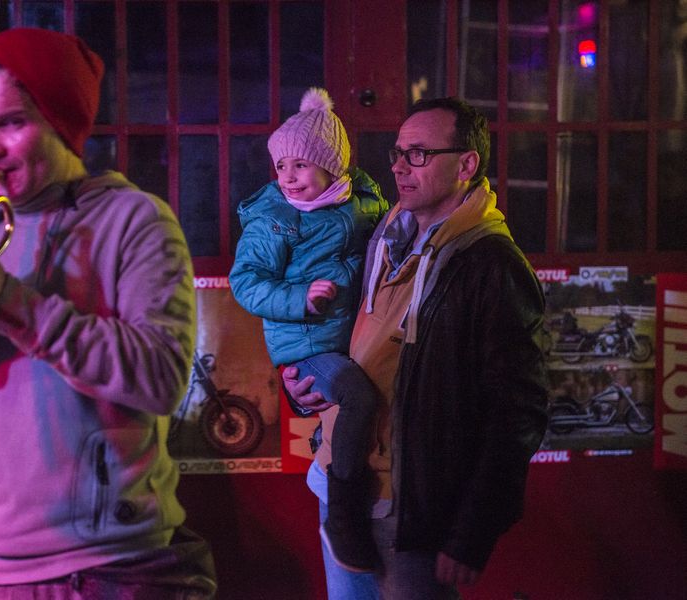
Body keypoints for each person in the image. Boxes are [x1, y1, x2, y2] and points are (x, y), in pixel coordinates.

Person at [0, 28, 215, 599]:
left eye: (10, 123)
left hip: (101, 563)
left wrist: (11, 305)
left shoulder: (136, 220)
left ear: (62, 123)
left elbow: (161, 380)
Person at [284, 97, 548, 599]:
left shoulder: (491, 264)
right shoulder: (386, 234)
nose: (400, 167)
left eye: (419, 154)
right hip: (339, 485)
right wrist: (305, 389)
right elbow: (350, 341)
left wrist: (472, 530)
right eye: (398, 153)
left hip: (410, 509)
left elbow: (518, 409)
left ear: (466, 165)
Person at [229, 87, 389, 572]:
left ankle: (336, 455)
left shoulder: (363, 204)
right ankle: (343, 512)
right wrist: (299, 297)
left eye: (300, 165)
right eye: (281, 166)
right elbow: (246, 282)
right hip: (306, 344)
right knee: (358, 398)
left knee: (359, 401)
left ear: (333, 167)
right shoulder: (275, 220)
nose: (288, 177)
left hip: (350, 337)